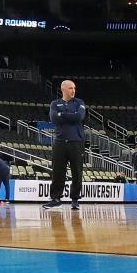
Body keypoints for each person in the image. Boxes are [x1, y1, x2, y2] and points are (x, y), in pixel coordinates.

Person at [44, 80, 86, 211]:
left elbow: (79, 117)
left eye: (74, 88)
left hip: (76, 142)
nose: (73, 90)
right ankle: (56, 199)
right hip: (60, 142)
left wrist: (62, 114)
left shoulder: (80, 102)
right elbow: (53, 118)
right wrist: (69, 116)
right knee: (57, 172)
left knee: (77, 172)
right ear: (63, 89)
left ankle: (75, 200)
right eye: (70, 88)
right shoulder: (54, 103)